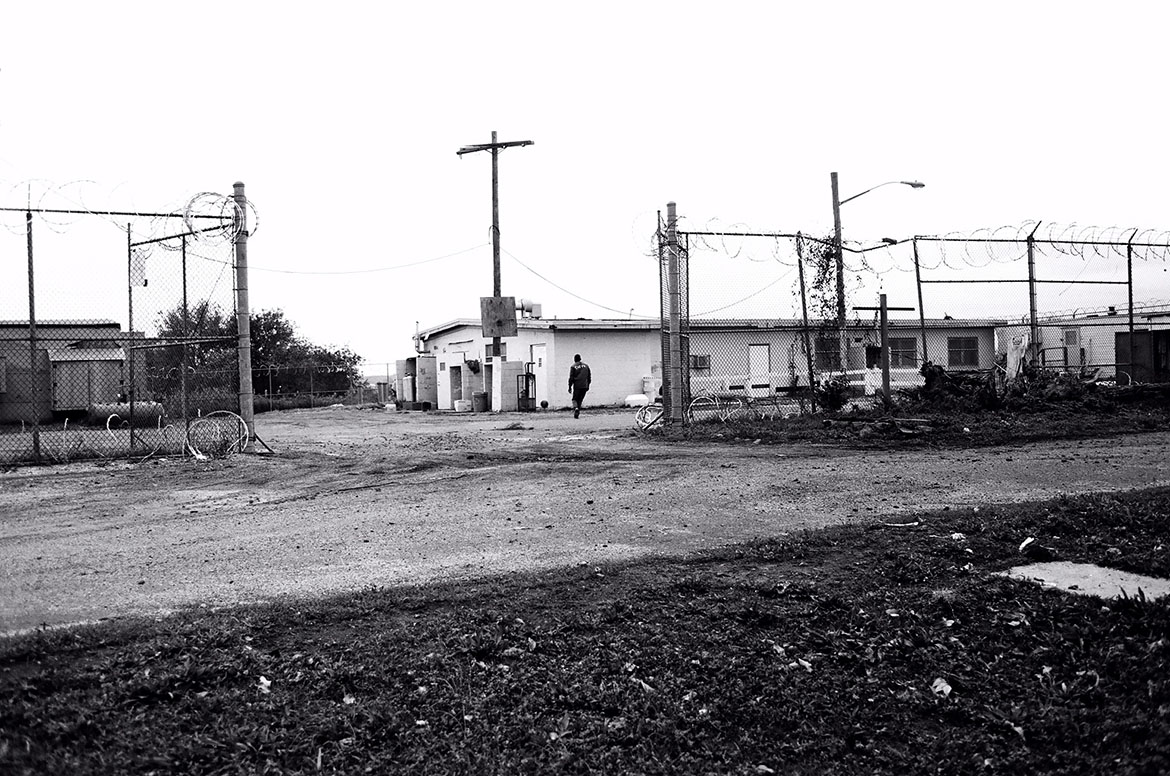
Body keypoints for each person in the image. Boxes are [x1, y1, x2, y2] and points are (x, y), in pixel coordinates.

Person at [567, 354, 592, 419]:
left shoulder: (573, 367)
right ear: (580, 359)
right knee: (580, 400)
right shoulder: (586, 366)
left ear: (574, 359)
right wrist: (588, 385)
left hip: (577, 385)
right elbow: (589, 377)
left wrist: (569, 387)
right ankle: (578, 412)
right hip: (585, 385)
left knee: (574, 399)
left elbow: (571, 378)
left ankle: (576, 408)